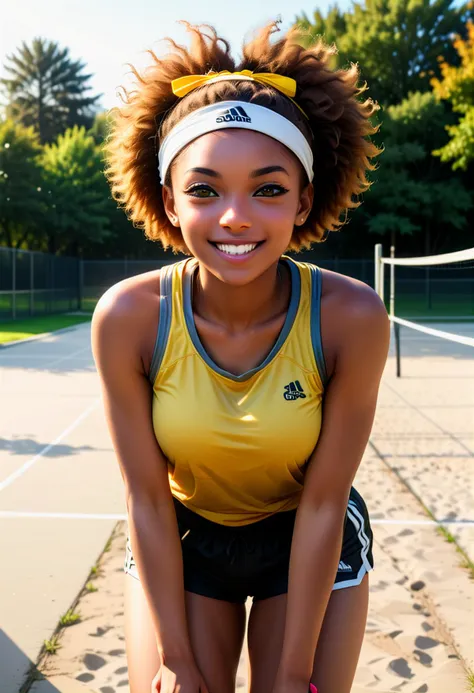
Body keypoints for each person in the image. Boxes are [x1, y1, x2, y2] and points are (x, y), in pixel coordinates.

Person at [92, 20, 390, 693]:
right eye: (204, 190)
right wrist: (176, 655)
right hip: (185, 535)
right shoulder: (129, 319)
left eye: (267, 188)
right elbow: (145, 495)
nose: (234, 216)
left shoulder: (351, 318)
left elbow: (323, 501)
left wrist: (291, 673)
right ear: (169, 201)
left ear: (303, 199)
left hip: (305, 534)